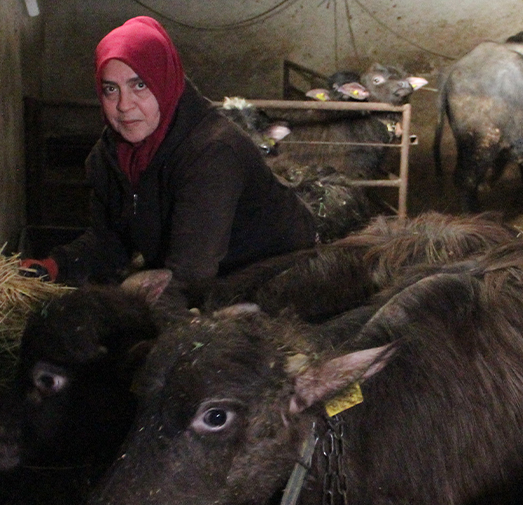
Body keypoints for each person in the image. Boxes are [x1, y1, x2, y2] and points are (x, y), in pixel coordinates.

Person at [21, 16, 316, 299]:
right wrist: (56, 266)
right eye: (111, 89)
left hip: (278, 273)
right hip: (202, 276)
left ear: (164, 81)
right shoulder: (110, 157)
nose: (124, 105)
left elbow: (191, 274)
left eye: (139, 85)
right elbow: (110, 241)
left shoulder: (212, 152)